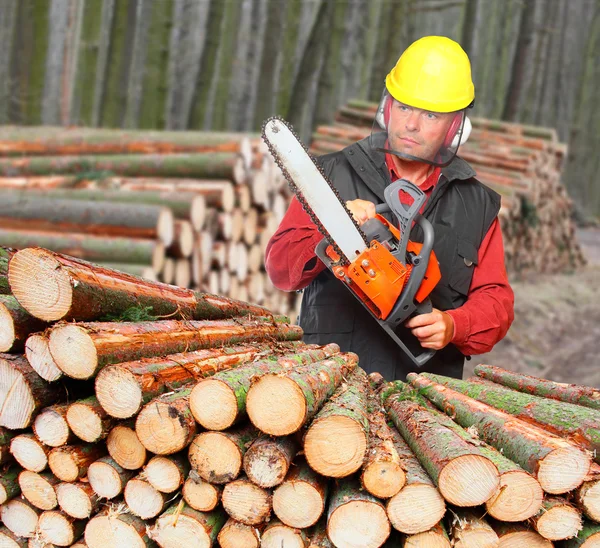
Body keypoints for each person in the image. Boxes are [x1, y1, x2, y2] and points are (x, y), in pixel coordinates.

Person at [265, 36, 514, 381]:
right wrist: (332, 232)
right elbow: (280, 269)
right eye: (404, 107)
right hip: (329, 386)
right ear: (387, 108)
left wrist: (453, 325)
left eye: (429, 114)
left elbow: (496, 303)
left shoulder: (477, 204)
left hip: (425, 404)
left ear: (455, 126)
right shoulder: (331, 175)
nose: (411, 124)